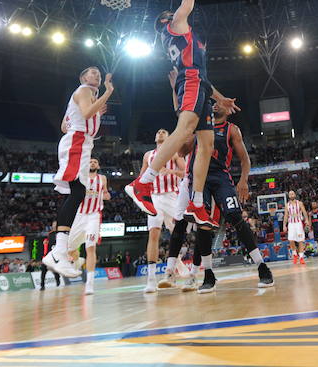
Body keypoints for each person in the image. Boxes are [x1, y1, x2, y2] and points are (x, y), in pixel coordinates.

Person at [127, 0, 239, 228]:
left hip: (197, 83)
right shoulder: (175, 24)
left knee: (207, 144)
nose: (177, 13)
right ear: (167, 20)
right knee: (185, 129)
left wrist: (220, 98)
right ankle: (142, 183)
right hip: (189, 81)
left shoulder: (180, 36)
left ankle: (196, 202)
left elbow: (203, 78)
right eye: (172, 13)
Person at [195, 104, 273, 292]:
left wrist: (243, 180)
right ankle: (208, 274)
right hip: (200, 178)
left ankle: (262, 266)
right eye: (213, 102)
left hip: (221, 177)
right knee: (202, 224)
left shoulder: (232, 130)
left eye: (220, 102)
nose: (215, 104)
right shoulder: (201, 125)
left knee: (236, 218)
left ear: (229, 110)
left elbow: (245, 159)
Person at [44, 67, 113, 278]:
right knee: (76, 193)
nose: (96, 75)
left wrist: (94, 112)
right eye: (92, 72)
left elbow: (64, 125)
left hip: (81, 142)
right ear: (83, 78)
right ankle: (58, 252)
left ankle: (58, 252)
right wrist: (108, 92)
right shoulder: (84, 90)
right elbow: (84, 114)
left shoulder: (87, 96)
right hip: (77, 142)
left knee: (77, 193)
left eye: (98, 74)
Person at [126, 129, 186, 293]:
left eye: (163, 131)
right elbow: (141, 177)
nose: (160, 132)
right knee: (153, 234)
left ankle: (176, 264)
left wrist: (171, 171)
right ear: (155, 137)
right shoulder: (147, 155)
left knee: (178, 233)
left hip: (172, 196)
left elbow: (186, 172)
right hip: (154, 197)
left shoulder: (174, 152)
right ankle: (151, 280)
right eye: (158, 131)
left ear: (168, 137)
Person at [67, 158, 110, 295]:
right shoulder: (81, 176)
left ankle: (90, 284)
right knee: (70, 248)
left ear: (98, 165)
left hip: (94, 216)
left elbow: (105, 193)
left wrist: (106, 195)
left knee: (90, 247)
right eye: (90, 161)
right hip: (79, 215)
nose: (93, 163)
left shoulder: (102, 178)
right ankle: (77, 260)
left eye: (95, 162)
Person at [284, 190, 310, 265]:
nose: (291, 195)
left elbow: (304, 212)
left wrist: (307, 220)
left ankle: (301, 257)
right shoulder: (287, 205)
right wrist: (284, 225)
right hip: (291, 224)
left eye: (292, 194)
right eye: (290, 194)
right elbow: (286, 215)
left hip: (298, 224)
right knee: (291, 240)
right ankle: (295, 254)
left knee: (300, 240)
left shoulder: (300, 203)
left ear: (295, 195)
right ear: (289, 196)